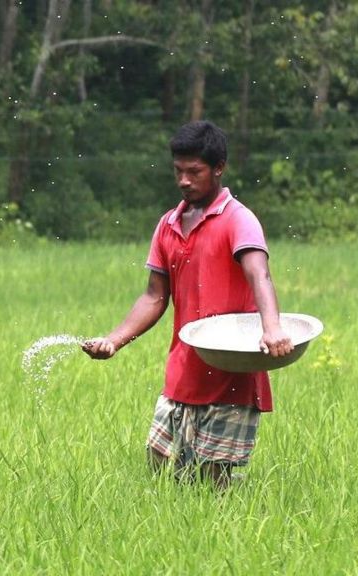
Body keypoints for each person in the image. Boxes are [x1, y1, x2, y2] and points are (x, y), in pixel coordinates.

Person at [82, 120, 293, 489]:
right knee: (161, 467)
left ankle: (230, 535)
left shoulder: (238, 220)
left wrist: (272, 328)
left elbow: (260, 275)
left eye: (194, 172)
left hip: (231, 371)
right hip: (183, 368)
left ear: (219, 168)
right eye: (178, 171)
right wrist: (114, 340)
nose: (183, 180)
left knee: (214, 478)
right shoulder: (168, 224)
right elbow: (154, 296)